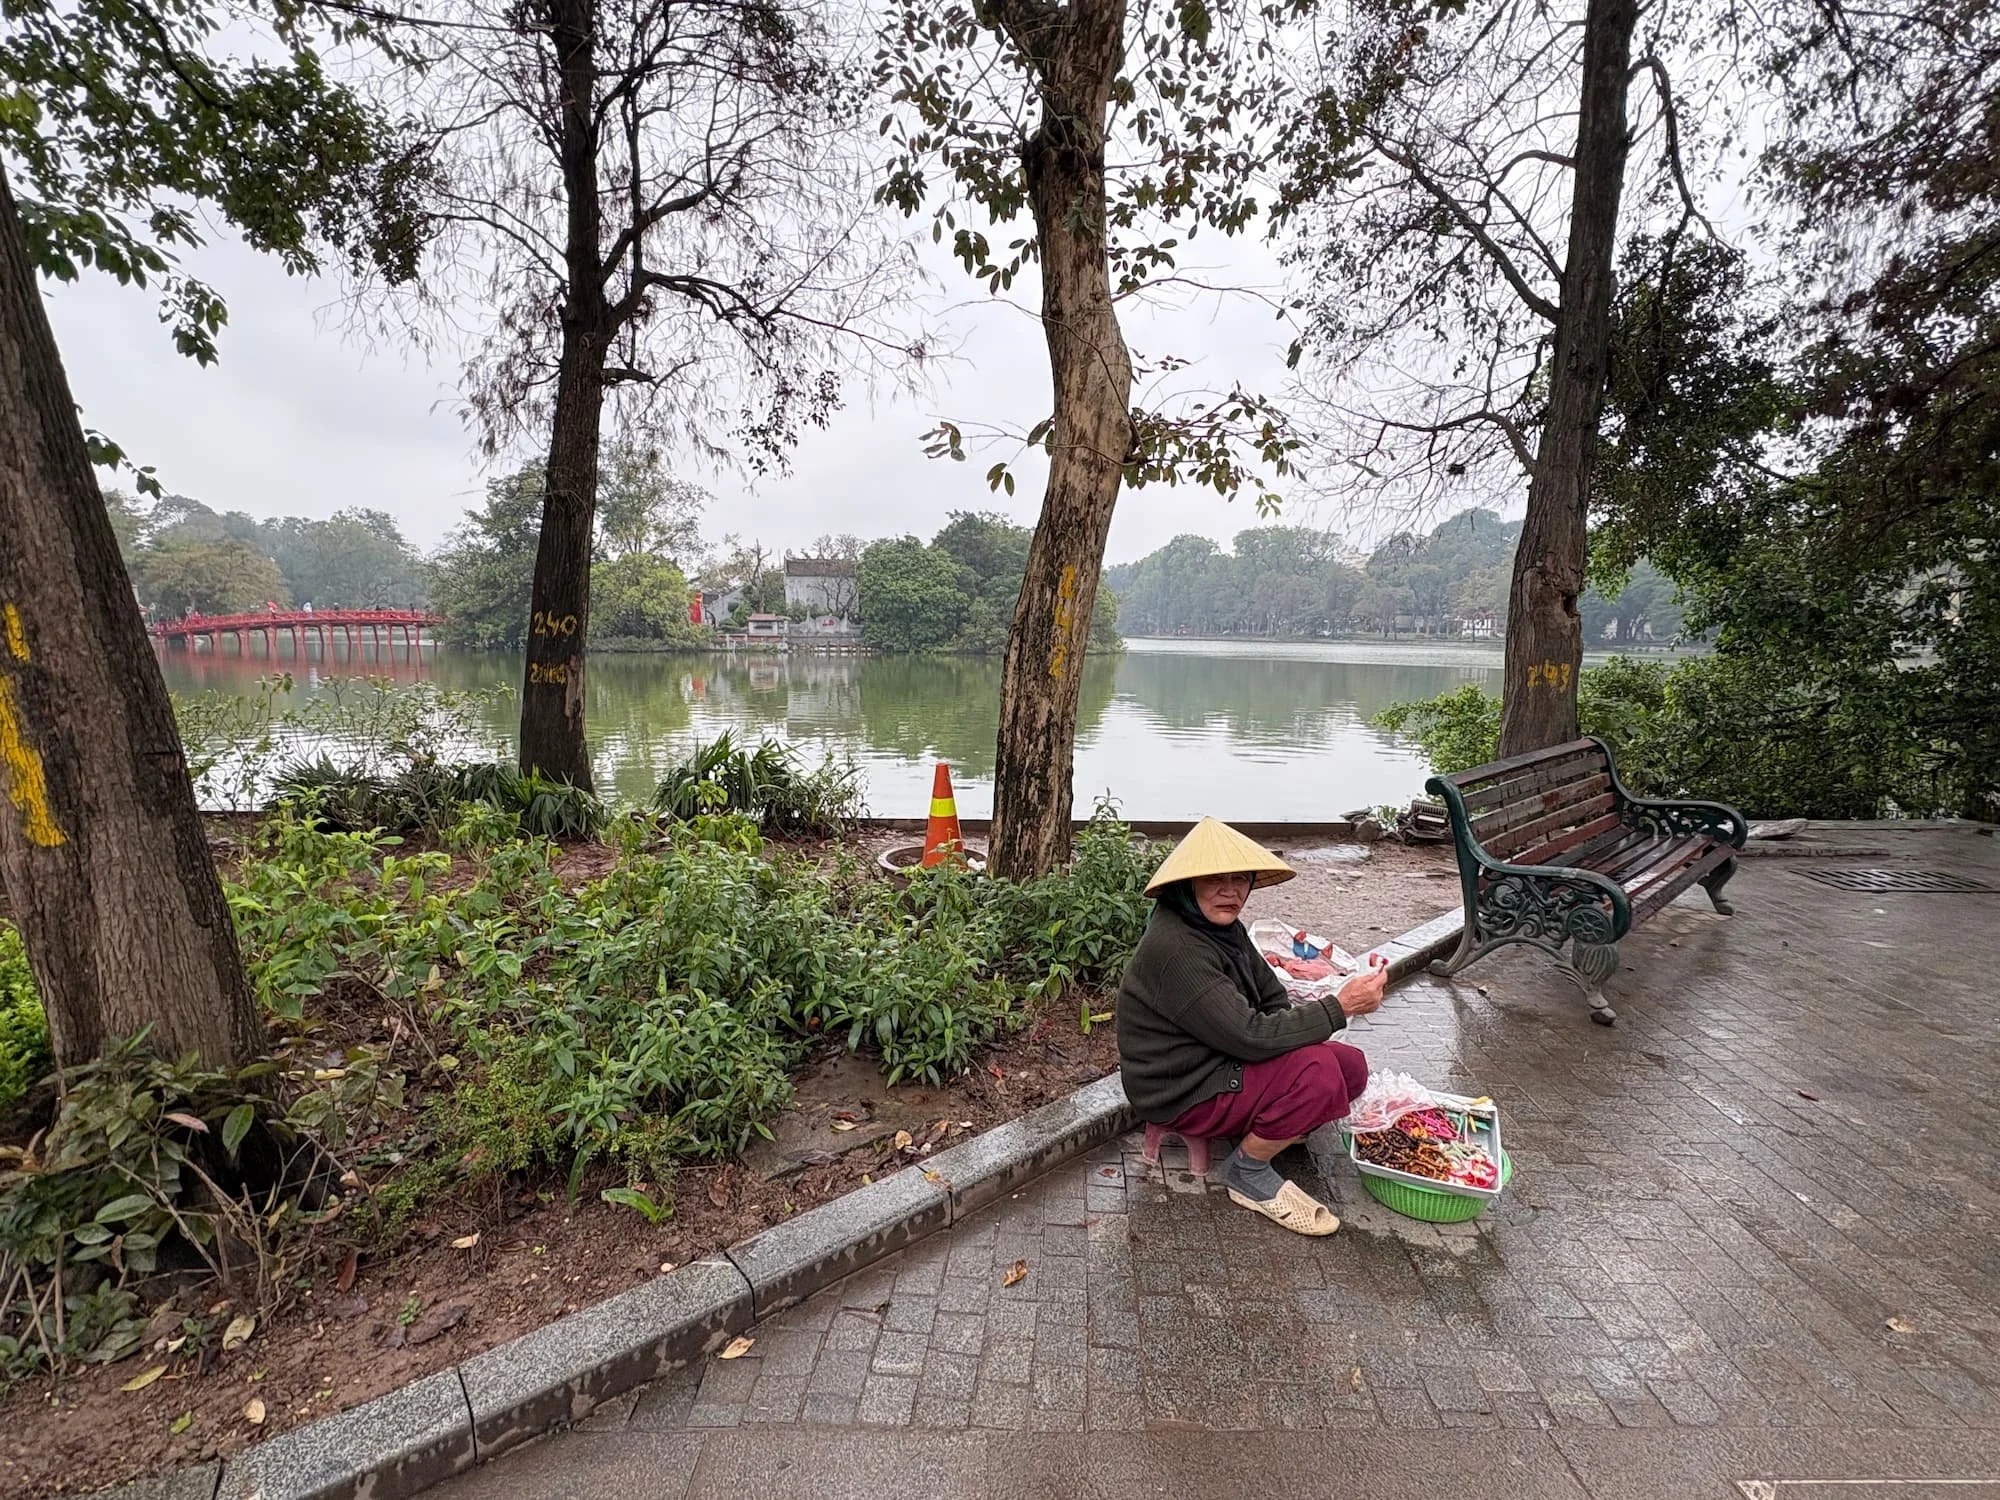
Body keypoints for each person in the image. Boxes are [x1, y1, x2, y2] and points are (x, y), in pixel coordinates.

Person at [1117, 817, 1388, 1236]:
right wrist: (1339, 1006)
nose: (1231, 891)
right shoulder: (1177, 948)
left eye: (1240, 878)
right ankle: (1246, 1169)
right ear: (1187, 886)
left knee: (1349, 1065)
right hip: (1180, 1089)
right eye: (1215, 880)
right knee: (1318, 1074)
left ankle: (1275, 1127)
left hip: (1222, 1060)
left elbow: (1272, 998)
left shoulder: (1225, 930)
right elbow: (1250, 1036)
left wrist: (1325, 1015)